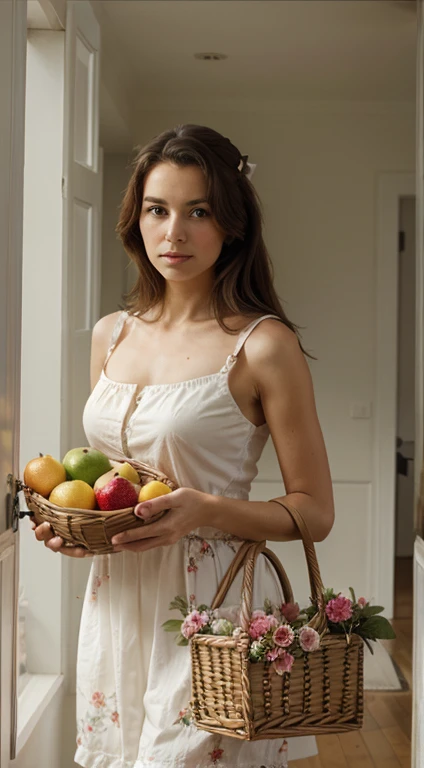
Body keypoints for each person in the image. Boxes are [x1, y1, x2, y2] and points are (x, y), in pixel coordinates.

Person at [33, 124, 334, 767]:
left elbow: (316, 511)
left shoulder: (262, 344)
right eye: (157, 209)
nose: (175, 233)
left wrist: (207, 510)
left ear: (232, 224)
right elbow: (120, 483)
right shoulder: (110, 334)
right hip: (116, 604)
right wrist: (82, 526)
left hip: (212, 609)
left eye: (198, 211)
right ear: (135, 221)